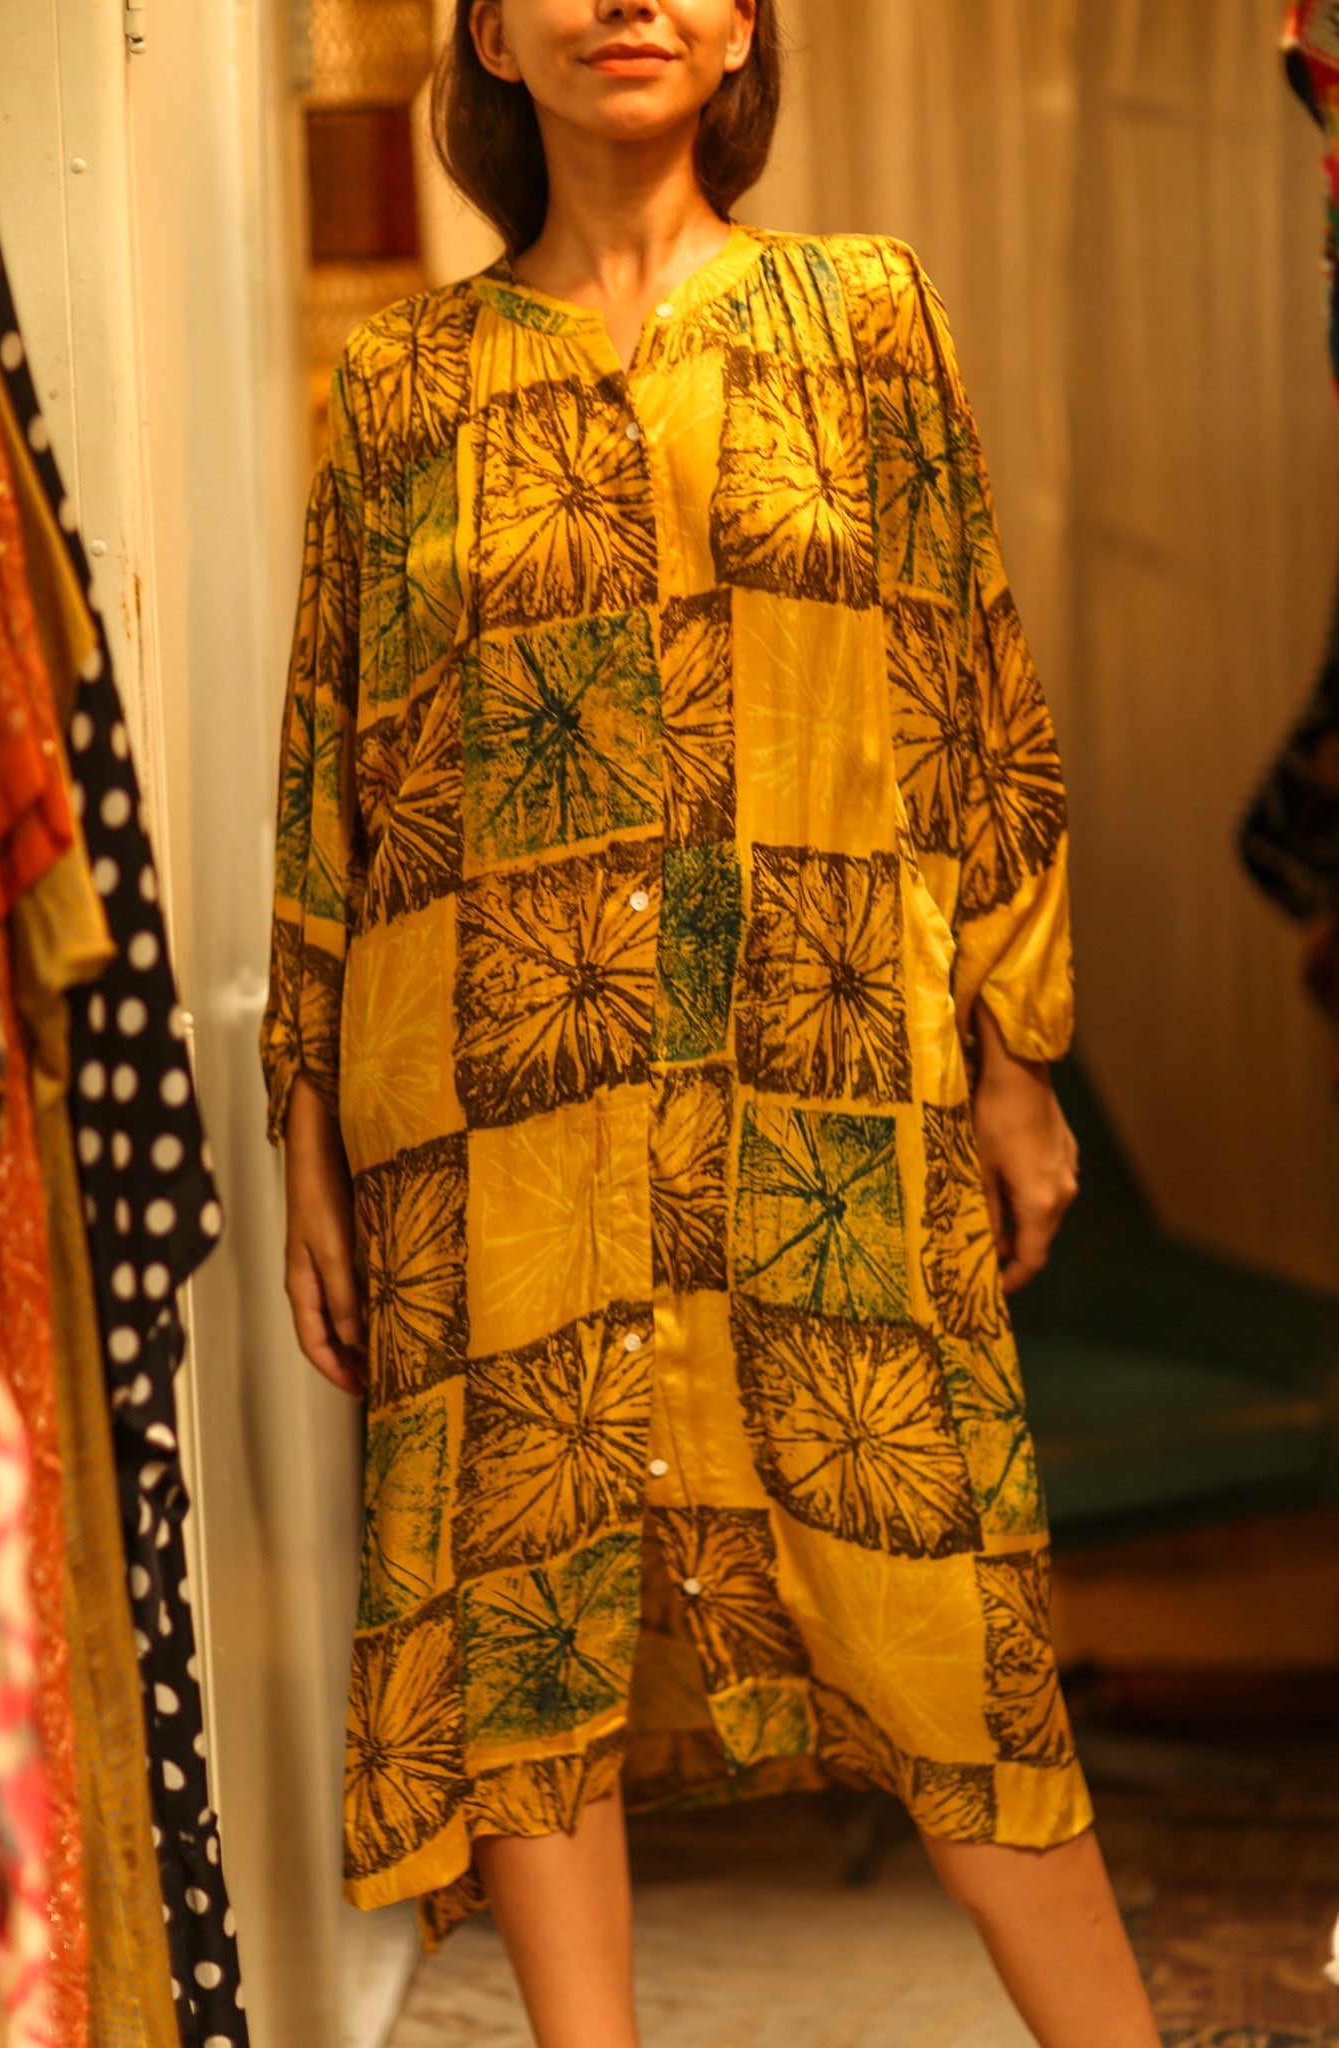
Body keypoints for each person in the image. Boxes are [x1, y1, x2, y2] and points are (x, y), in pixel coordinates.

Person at [260, 4, 1163, 2043]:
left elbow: (970, 684)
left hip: (819, 1082)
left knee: (949, 1625)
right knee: (527, 1626)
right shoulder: (401, 381)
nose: (626, 1)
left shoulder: (863, 318)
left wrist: (1015, 1049)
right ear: (491, 35)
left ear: (742, 22)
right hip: (493, 1102)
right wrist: (306, 1127)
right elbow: (336, 766)